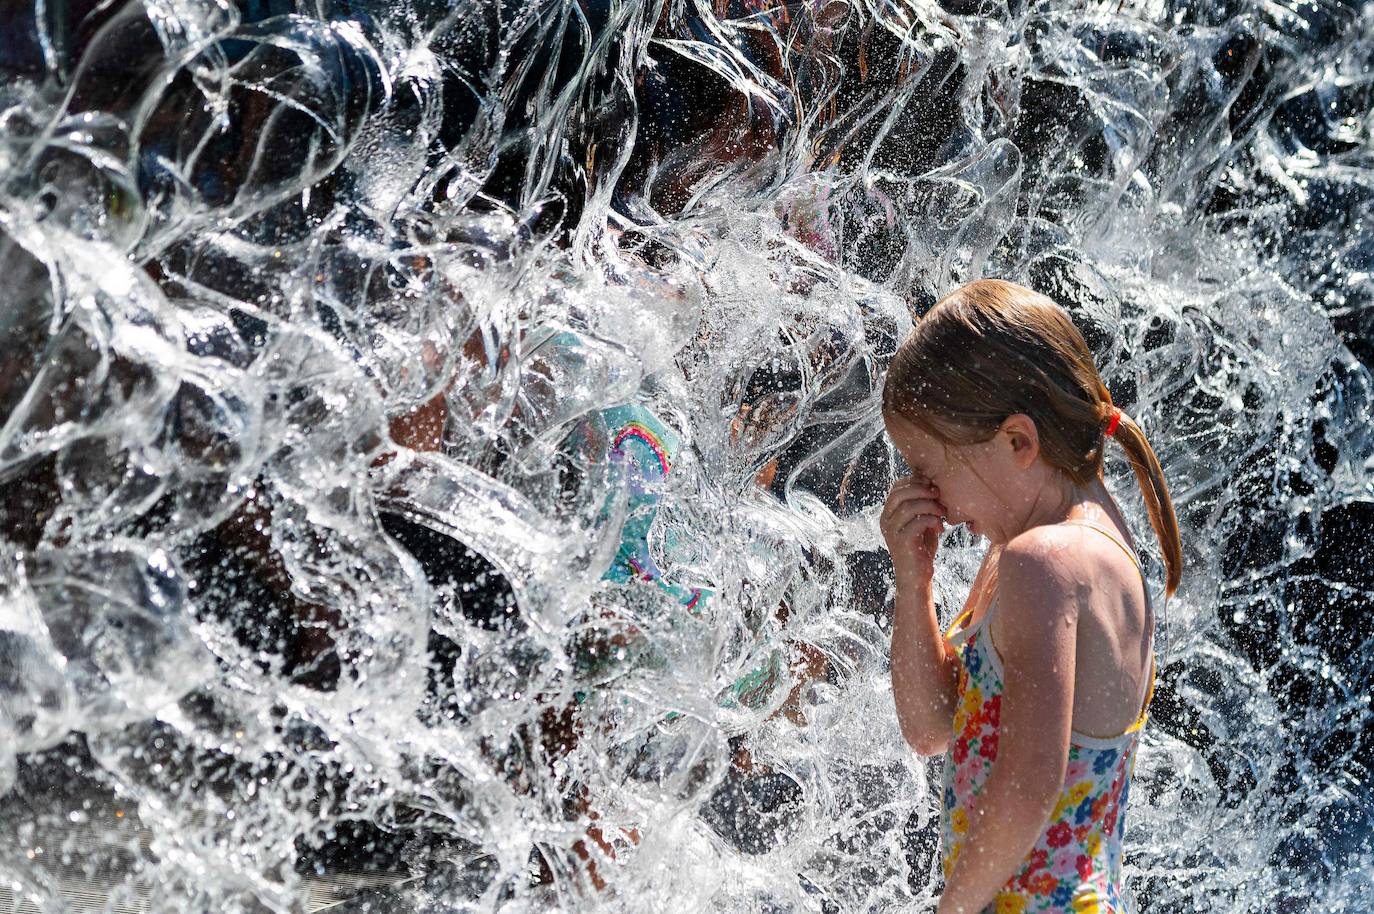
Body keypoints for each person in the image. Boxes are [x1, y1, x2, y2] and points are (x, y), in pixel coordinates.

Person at [878, 279, 1182, 914]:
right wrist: (915, 583)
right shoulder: (1044, 552)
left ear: (1018, 441)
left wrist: (949, 911)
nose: (925, 495)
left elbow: (1027, 784)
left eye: (929, 470)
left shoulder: (1045, 563)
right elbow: (934, 730)